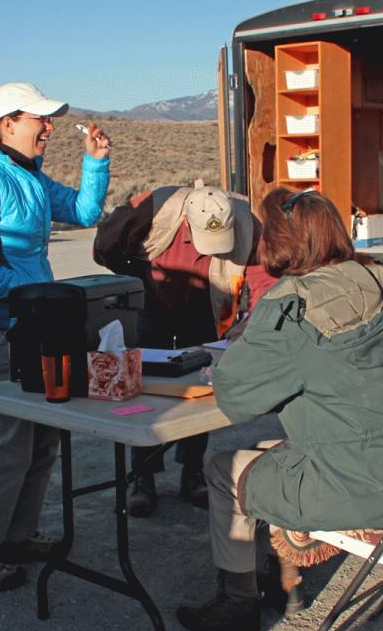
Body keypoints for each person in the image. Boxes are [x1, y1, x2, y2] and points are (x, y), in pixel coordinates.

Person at [176, 188, 383, 631]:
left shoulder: (290, 306)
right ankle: (285, 581)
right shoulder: (379, 280)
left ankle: (238, 601)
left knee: (222, 470)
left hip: (354, 487)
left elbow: (236, 397)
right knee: (273, 450)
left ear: (276, 241)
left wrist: (248, 342)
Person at [0, 82, 111, 592]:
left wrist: (95, 163)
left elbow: (85, 213)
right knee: (7, 446)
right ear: (7, 124)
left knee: (42, 439)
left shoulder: (30, 177)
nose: (49, 127)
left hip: (34, 326)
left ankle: (16, 536)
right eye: (40, 118)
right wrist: (26, 292)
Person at [93, 183, 275, 517]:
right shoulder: (155, 209)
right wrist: (137, 275)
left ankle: (193, 473)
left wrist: (253, 321)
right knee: (143, 389)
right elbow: (106, 245)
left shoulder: (246, 223)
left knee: (201, 389)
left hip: (206, 308)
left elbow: (263, 279)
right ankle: (142, 478)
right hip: (150, 303)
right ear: (187, 223)